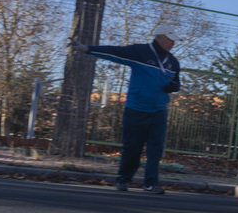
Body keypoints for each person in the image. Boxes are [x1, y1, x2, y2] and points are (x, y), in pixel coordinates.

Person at [69, 25, 181, 194]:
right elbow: (115, 52)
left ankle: (151, 183)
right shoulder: (140, 52)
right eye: (170, 39)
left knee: (156, 148)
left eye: (174, 40)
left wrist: (173, 87)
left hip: (159, 111)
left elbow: (177, 83)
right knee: (132, 146)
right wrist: (88, 49)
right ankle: (123, 179)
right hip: (136, 109)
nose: (173, 43)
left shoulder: (173, 62)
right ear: (159, 37)